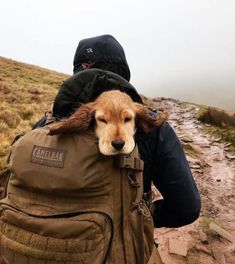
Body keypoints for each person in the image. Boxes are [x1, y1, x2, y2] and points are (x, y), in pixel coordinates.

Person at [34, 34, 201, 228]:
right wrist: (143, 219)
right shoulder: (153, 127)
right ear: (123, 73)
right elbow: (186, 208)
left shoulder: (46, 126)